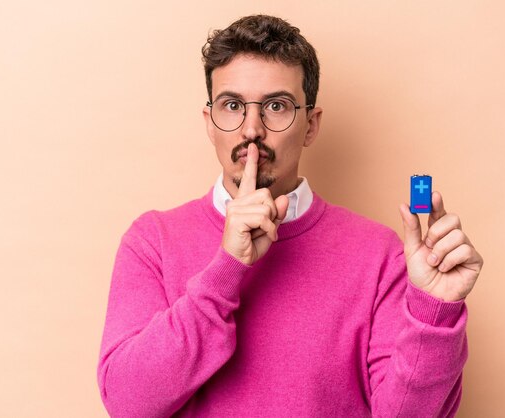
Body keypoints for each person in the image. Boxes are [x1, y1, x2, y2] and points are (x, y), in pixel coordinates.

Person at [97, 14, 483, 417]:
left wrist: (433, 314)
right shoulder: (152, 240)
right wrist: (226, 269)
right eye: (231, 106)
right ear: (210, 123)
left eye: (276, 106)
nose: (251, 130)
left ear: (311, 126)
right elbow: (128, 403)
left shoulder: (380, 254)